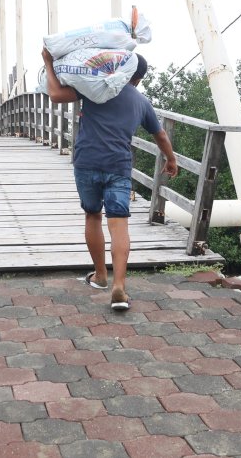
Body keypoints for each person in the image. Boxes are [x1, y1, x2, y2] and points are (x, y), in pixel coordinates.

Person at [41, 47, 178, 311]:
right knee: (119, 224)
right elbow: (160, 135)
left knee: (93, 215)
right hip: (118, 166)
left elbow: (56, 94)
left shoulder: (97, 86)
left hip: (87, 162)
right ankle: (119, 286)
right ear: (138, 78)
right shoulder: (141, 102)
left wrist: (48, 62)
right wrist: (171, 159)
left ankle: (100, 275)